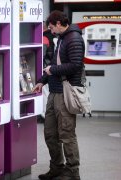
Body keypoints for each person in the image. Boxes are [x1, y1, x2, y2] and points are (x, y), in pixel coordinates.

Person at [33, 10, 85, 180]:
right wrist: (42, 80)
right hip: (54, 92)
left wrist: (52, 70)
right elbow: (55, 63)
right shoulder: (62, 38)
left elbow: (76, 65)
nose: (50, 30)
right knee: (50, 133)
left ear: (58, 24)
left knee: (67, 134)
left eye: (51, 27)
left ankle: (72, 172)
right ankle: (56, 167)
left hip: (65, 93)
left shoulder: (74, 38)